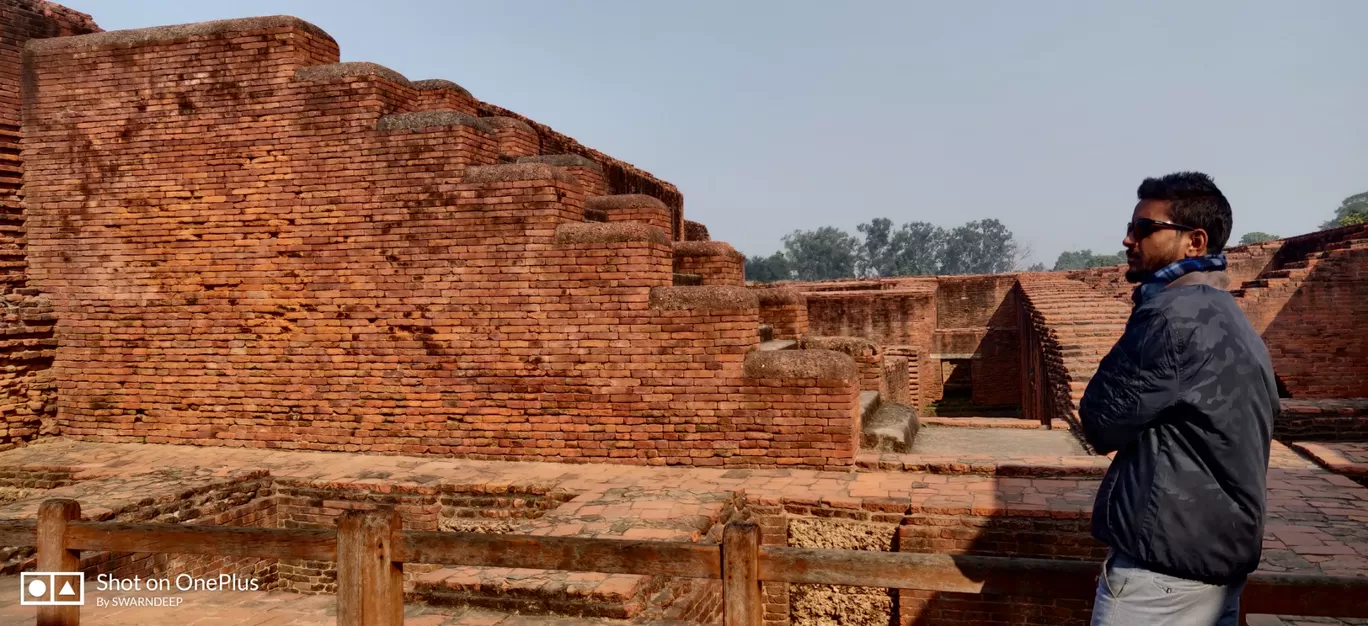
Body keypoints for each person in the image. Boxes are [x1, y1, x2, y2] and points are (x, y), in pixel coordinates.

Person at [1080, 172, 1278, 626]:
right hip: (1214, 558)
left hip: (1163, 567)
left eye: (1145, 229)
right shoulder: (1226, 313)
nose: (1128, 239)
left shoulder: (1172, 316)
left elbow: (1099, 420)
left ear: (1195, 242)